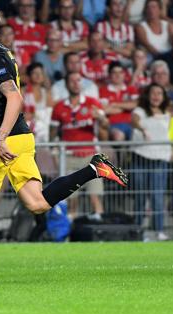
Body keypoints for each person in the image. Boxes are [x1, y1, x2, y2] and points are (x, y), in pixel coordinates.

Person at [0, 3, 128, 280]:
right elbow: (0, 103)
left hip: (3, 137)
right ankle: (94, 169)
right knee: (38, 203)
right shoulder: (2, 54)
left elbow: (15, 100)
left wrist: (2, 138)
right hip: (21, 137)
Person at [51, 72, 109, 219]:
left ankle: (99, 223)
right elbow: (52, 132)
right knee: (71, 197)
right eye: (72, 81)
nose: (76, 83)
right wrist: (54, 151)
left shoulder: (92, 102)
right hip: (69, 156)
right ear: (66, 84)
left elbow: (106, 126)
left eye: (78, 80)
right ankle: (71, 225)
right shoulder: (59, 107)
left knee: (95, 194)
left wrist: (101, 118)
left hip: (90, 156)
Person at [131, 83, 172, 240]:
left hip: (159, 159)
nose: (156, 96)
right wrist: (142, 129)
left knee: (157, 196)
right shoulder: (140, 111)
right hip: (141, 157)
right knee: (141, 196)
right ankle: (138, 231)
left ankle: (159, 230)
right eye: (153, 93)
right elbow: (134, 121)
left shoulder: (166, 113)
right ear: (147, 95)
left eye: (159, 93)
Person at [99, 61, 139, 141]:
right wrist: (126, 107)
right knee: (118, 135)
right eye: (114, 72)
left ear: (124, 74)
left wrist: (114, 104)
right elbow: (105, 110)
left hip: (132, 124)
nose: (118, 75)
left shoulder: (131, 89)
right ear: (109, 75)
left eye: (120, 72)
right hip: (113, 125)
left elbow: (136, 104)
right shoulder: (102, 90)